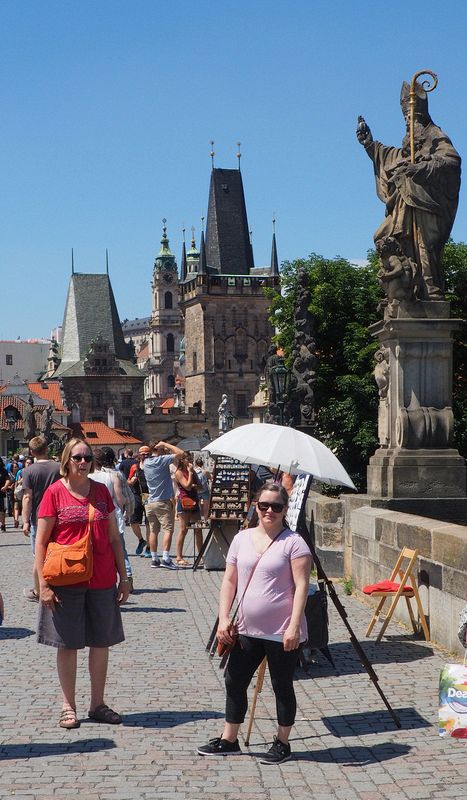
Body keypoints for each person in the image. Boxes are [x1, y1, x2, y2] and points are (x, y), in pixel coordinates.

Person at [198, 482, 312, 764]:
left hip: (281, 630)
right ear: (255, 506)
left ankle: (282, 742)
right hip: (247, 627)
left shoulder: (294, 543)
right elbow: (230, 580)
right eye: (264, 505)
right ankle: (229, 739)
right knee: (234, 680)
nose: (269, 511)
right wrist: (224, 617)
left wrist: (294, 626)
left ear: (285, 509)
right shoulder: (242, 538)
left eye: (276, 506)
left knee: (281, 685)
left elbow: (302, 587)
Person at [35, 437, 130, 730]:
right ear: (66, 460)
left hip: (101, 578)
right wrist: (44, 585)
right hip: (65, 579)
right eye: (77, 457)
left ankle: (97, 703)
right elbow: (40, 541)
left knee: (101, 642)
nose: (83, 462)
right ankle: (68, 706)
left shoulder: (101, 491)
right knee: (68, 643)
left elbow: (115, 537)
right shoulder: (54, 493)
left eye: (87, 457)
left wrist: (124, 577)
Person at [356, 79, 461, 301]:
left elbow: (451, 161)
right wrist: (370, 145)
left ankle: (430, 291)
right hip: (403, 203)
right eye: (405, 119)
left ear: (420, 117)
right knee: (384, 238)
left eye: (410, 118)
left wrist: (422, 166)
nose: (407, 123)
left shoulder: (434, 134)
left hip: (424, 205)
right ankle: (401, 289)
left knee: (424, 246)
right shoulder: (409, 144)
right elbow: (393, 157)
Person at [22, 436, 61, 602]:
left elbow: (27, 498)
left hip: (39, 518)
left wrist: (24, 521)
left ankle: (38, 591)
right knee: (58, 552)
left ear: (32, 452)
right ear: (47, 449)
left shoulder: (28, 471)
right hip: (59, 516)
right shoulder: (59, 468)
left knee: (39, 555)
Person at [90, 447, 134, 593]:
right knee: (120, 549)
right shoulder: (111, 476)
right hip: (113, 516)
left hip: (93, 518)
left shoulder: (87, 478)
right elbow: (120, 499)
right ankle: (127, 578)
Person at [142, 440, 184, 569]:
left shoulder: (146, 463)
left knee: (153, 531)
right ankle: (166, 558)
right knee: (168, 530)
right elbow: (180, 453)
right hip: (163, 501)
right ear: (158, 449)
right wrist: (165, 444)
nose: (166, 451)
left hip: (150, 502)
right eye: (163, 450)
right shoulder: (161, 460)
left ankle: (154, 559)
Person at [174, 452, 202, 566]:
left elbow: (200, 486)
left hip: (194, 501)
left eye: (191, 459)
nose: (190, 461)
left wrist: (194, 481)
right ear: (182, 460)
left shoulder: (193, 471)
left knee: (198, 529)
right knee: (183, 530)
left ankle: (201, 554)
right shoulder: (179, 472)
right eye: (188, 459)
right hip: (184, 502)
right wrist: (190, 473)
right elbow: (187, 486)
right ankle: (179, 557)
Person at [127, 446, 151, 556]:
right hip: (137, 496)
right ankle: (141, 540)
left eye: (147, 453)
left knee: (149, 524)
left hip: (150, 496)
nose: (145, 455)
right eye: (143, 454)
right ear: (139, 455)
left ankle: (149, 549)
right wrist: (132, 481)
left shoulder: (152, 465)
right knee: (133, 522)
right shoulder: (135, 467)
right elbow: (128, 482)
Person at [0, 457, 9, 531]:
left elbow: (8, 479)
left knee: (2, 511)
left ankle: (3, 525)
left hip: (1, 493)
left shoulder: (3, 471)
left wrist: (5, 486)